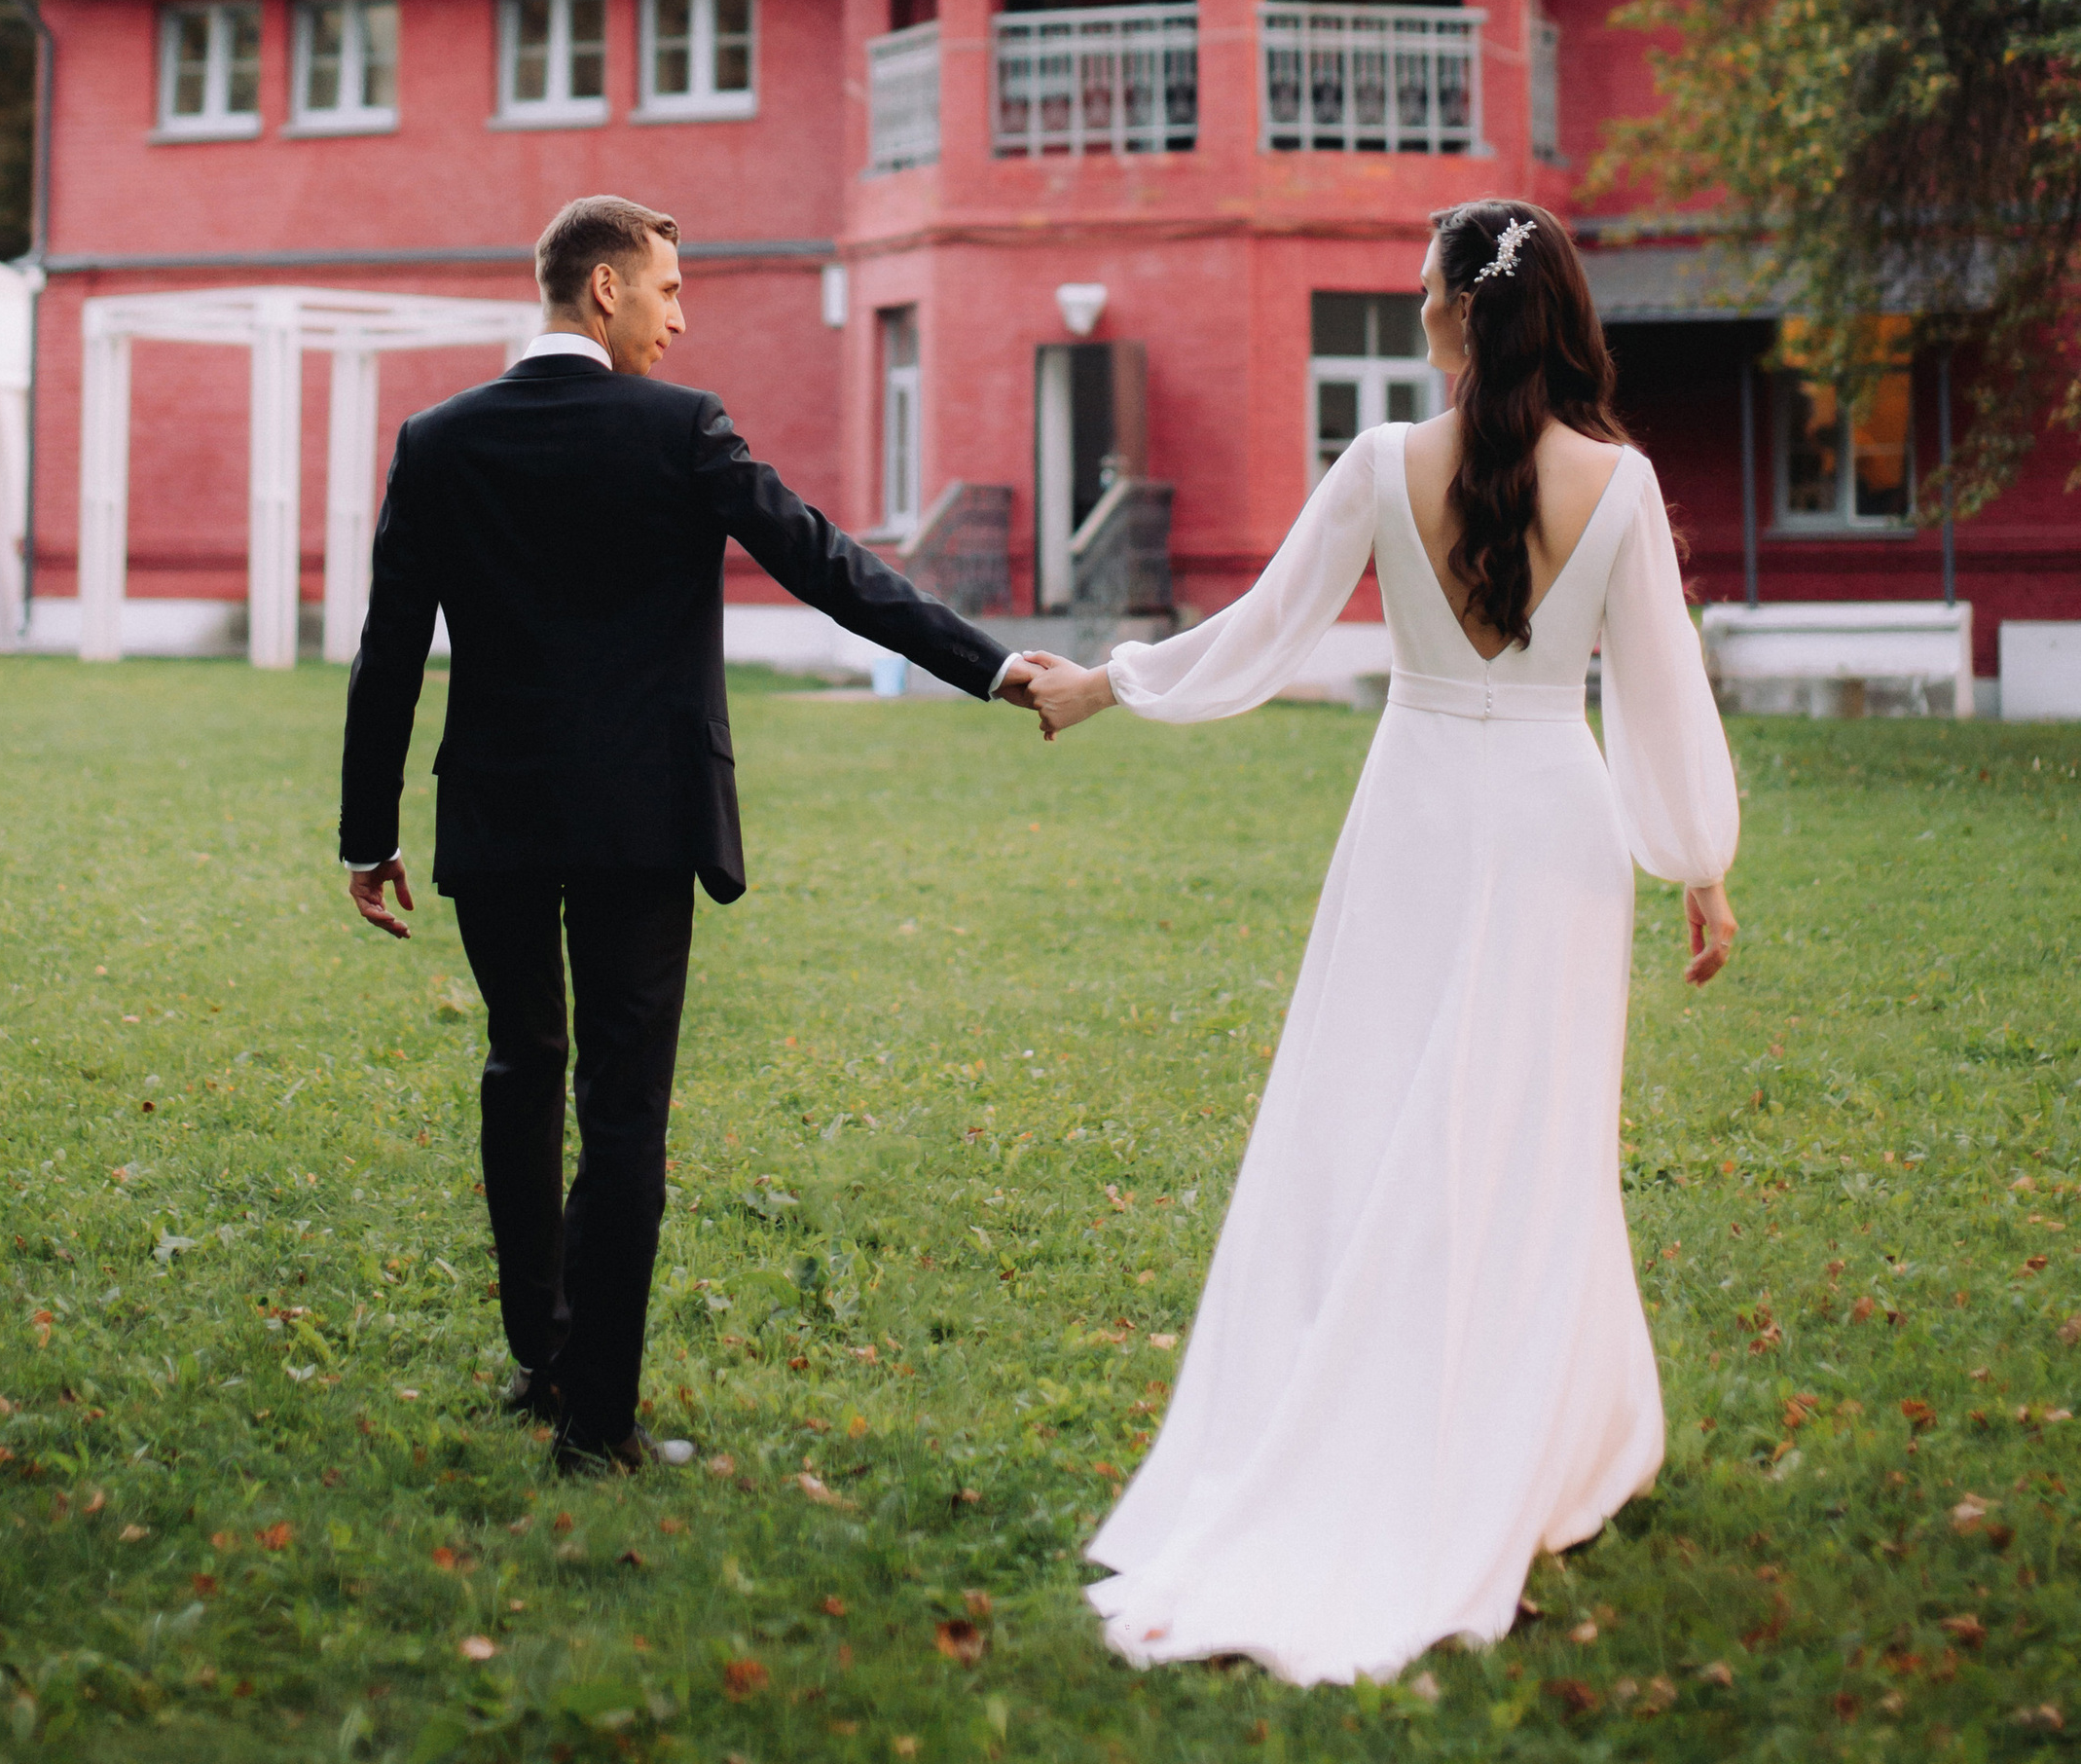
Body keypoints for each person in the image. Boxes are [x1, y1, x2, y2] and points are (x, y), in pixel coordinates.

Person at [1015, 198, 1740, 1689]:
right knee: (1528, 1139)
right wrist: (1699, 865)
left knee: (1363, 1119)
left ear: (1462, 318)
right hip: (1553, 826)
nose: (1414, 311)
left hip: (1415, 816)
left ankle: (1389, 1405)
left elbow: (1262, 631)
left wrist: (1109, 686)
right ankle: (1505, 1435)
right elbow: (1665, 695)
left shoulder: (1375, 465)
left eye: (1423, 292)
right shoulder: (1619, 485)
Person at [339, 193, 1035, 1476]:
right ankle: (596, 1422)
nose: (679, 314)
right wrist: (990, 670)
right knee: (621, 1109)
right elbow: (830, 567)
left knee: (518, 1066)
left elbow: (390, 649)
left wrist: (364, 832)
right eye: (666, 289)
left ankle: (542, 1361)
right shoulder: (681, 431)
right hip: (641, 818)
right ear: (601, 291)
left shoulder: (437, 442)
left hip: (492, 810)